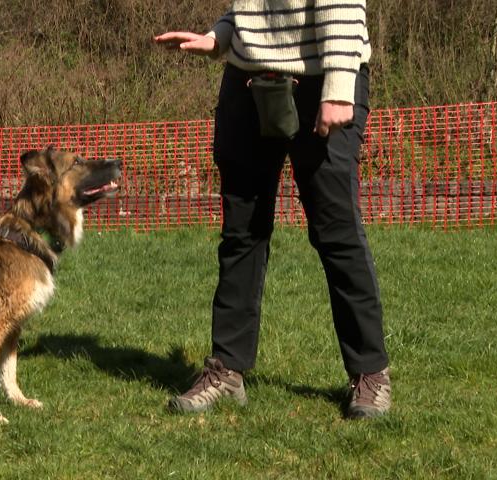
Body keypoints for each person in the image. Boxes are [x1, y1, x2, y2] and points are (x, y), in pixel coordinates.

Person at [154, 0, 391, 419]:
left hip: (322, 83)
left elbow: (343, 6)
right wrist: (218, 38)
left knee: (336, 232)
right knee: (240, 233)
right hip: (248, 84)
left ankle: (370, 374)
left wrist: (337, 89)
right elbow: (254, 12)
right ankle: (226, 371)